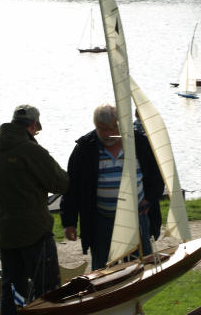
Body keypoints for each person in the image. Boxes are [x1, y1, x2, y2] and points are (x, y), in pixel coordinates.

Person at [0, 105, 69, 315]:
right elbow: (60, 182)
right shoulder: (31, 150)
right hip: (34, 232)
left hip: (6, 232)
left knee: (13, 295)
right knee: (46, 292)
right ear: (33, 126)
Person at [60, 104, 164, 270]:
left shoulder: (139, 142)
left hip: (137, 218)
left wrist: (149, 199)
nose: (108, 134)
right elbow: (72, 189)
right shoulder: (85, 149)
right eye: (102, 129)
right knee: (105, 271)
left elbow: (156, 176)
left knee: (141, 267)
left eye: (112, 128)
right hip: (101, 221)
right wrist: (69, 222)